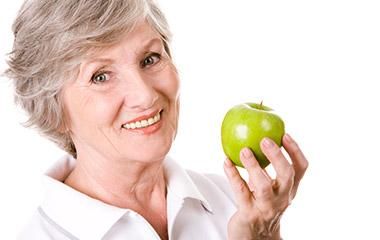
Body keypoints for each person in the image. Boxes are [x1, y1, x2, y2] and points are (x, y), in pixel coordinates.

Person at [6, 0, 308, 239]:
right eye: (100, 76)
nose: (145, 95)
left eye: (150, 59)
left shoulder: (236, 204)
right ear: (52, 110)